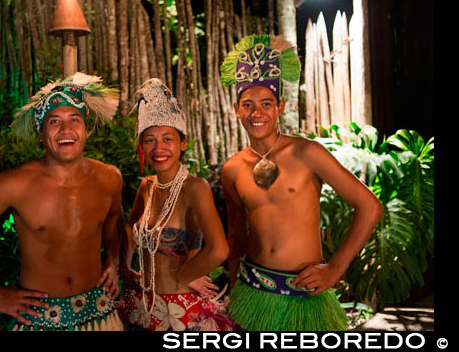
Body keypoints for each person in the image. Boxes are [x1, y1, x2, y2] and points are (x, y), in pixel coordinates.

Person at [219, 34, 383, 331]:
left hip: (304, 297)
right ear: (236, 108)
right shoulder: (231, 169)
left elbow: (369, 206)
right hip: (252, 292)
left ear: (280, 107)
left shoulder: (307, 153)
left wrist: (334, 269)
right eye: (248, 105)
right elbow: (236, 238)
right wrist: (233, 290)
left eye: (266, 104)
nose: (257, 113)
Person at [0, 72, 125, 331]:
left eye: (74, 119)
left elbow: (114, 218)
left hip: (100, 314)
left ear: (86, 129)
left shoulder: (109, 178)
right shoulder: (15, 184)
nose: (66, 130)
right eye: (54, 121)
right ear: (41, 133)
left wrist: (112, 262)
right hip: (39, 320)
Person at [118, 79, 234, 331]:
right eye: (149, 140)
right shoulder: (147, 186)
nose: (158, 148)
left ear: (182, 143)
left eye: (167, 139)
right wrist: (126, 266)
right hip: (141, 304)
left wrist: (184, 275)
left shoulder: (195, 187)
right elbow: (129, 228)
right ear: (142, 146)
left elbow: (219, 249)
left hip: (181, 309)